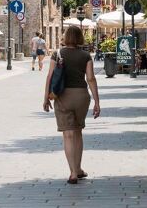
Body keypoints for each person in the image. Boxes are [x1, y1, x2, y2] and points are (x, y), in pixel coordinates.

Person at [43, 26, 100, 184]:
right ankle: (79, 168)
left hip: (62, 96)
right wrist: (97, 101)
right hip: (81, 96)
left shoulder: (58, 54)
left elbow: (50, 76)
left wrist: (46, 98)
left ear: (65, 37)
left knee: (68, 135)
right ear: (80, 38)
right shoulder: (86, 55)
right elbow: (91, 79)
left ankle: (73, 172)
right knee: (78, 132)